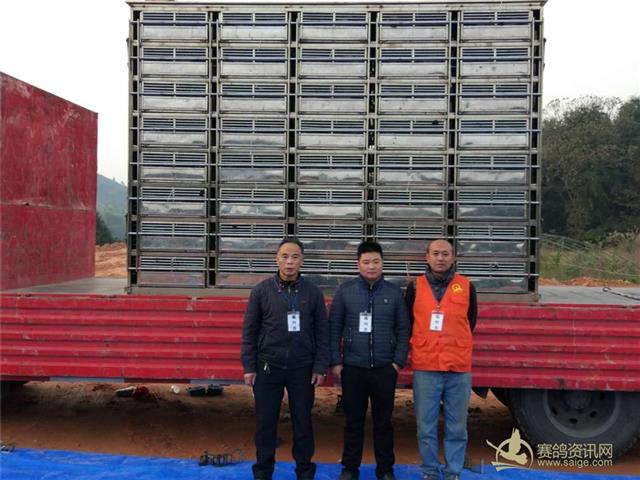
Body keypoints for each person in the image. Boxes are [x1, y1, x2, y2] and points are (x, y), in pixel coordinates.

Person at [241, 237, 330, 480]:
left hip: (302, 368)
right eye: (285, 256)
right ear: (277, 259)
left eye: (295, 257)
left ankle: (304, 472)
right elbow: (249, 331)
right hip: (268, 367)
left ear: (302, 261)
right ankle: (263, 472)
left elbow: (322, 332)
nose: (289, 262)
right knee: (265, 423)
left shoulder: (313, 292)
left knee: (303, 423)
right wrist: (249, 366)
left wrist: (320, 366)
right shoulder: (261, 291)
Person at [329, 241, 410, 480]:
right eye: (366, 262)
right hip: (353, 368)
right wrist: (336, 361)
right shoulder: (345, 291)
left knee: (383, 423)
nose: (371, 266)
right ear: (358, 264)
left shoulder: (394, 293)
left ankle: (385, 470)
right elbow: (334, 328)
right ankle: (349, 469)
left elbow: (403, 329)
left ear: (382, 264)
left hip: (385, 369)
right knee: (353, 422)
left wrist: (397, 362)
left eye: (376, 261)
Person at [405, 239, 478, 480]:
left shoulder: (466, 286)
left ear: (453, 257)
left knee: (457, 426)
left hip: (458, 367)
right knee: (425, 426)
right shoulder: (414, 287)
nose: (440, 258)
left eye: (445, 254)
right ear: (427, 257)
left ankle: (453, 472)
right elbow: (408, 322)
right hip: (426, 366)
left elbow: (470, 320)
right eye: (435, 253)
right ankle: (429, 471)